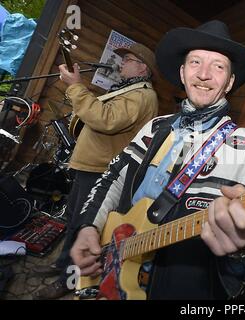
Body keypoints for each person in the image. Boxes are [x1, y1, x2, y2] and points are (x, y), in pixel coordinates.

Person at [70, 20, 245, 300]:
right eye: (195, 62)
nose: (204, 74)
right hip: (116, 271)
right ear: (182, 72)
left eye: (218, 66)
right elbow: (113, 178)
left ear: (229, 82)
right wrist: (89, 226)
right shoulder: (155, 127)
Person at [32, 43, 159, 299]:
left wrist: (76, 86)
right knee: (72, 220)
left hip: (101, 171)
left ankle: (70, 279)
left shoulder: (143, 95)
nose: (122, 63)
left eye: (129, 59)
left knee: (83, 226)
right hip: (89, 165)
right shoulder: (128, 90)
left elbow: (105, 119)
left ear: (143, 67)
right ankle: (62, 266)